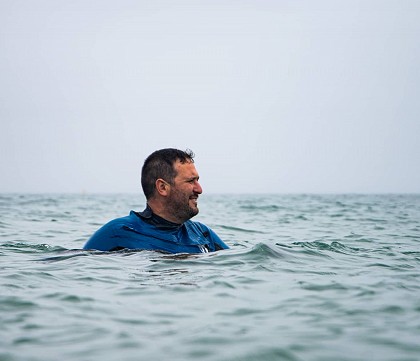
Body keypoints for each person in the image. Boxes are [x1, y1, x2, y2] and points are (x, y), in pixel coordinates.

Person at [83, 148, 229, 254]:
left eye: (198, 180)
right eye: (191, 181)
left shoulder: (203, 234)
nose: (199, 189)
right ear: (162, 187)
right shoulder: (118, 233)